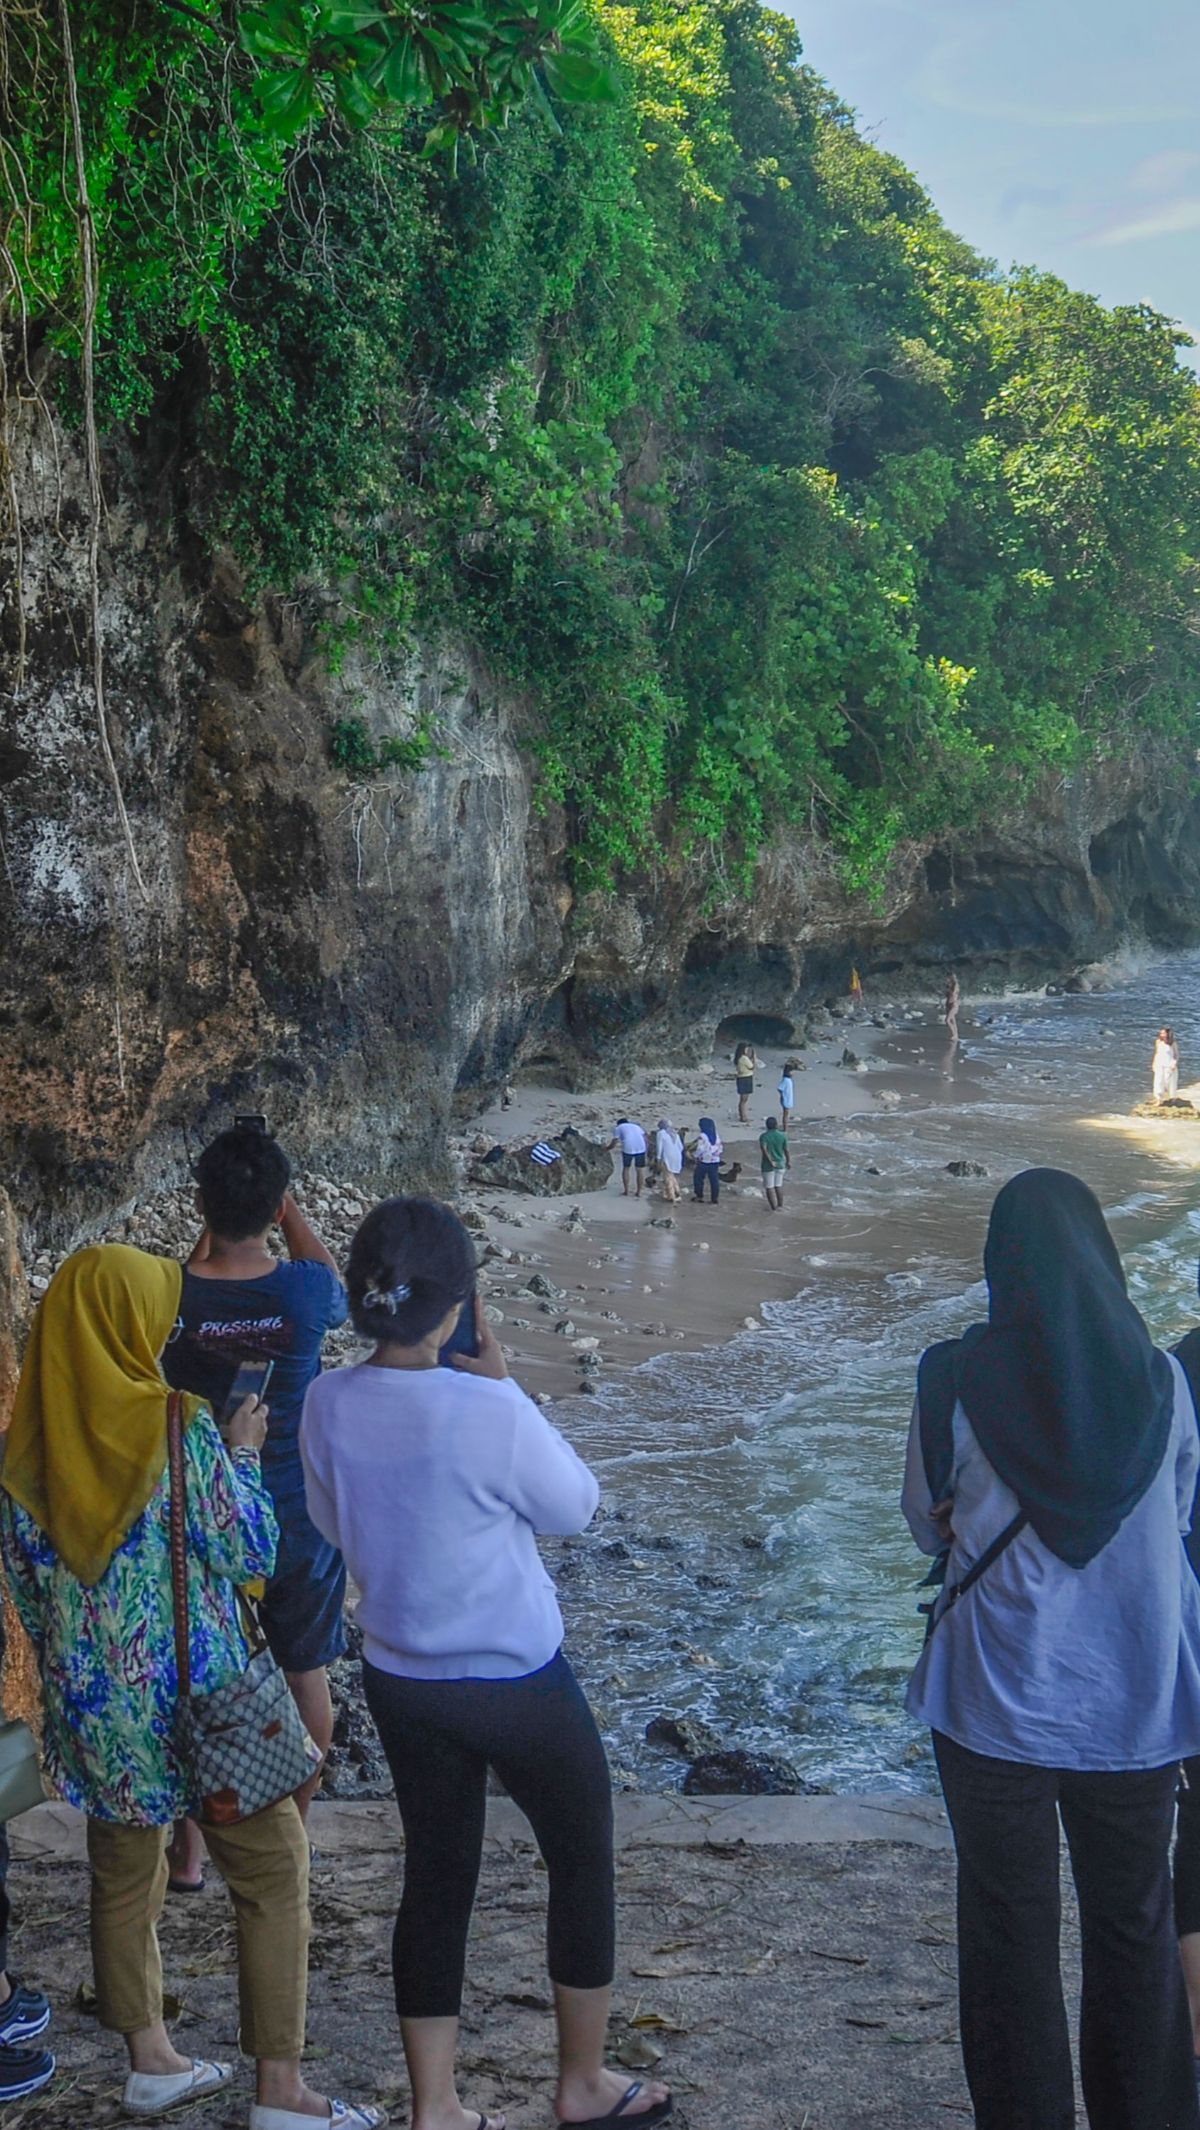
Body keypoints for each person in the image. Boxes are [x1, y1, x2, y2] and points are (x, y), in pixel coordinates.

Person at [300, 1198, 672, 2130]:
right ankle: (582, 2084)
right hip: (516, 1676)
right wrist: (506, 1388)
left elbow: (330, 1527)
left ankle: (438, 2107)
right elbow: (575, 1508)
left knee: (436, 1875)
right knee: (580, 1857)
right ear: (459, 1305)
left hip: (401, 1678)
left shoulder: (326, 1400)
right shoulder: (487, 1410)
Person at [0, 1245, 380, 2130]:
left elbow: (25, 1593)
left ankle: (151, 2063)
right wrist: (244, 1453)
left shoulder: (27, 1452)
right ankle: (282, 2093)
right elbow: (251, 1552)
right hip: (201, 1702)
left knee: (122, 1878)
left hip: (98, 1717)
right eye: (159, 1315)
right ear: (130, 1326)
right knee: (275, 1871)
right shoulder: (178, 1424)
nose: (170, 1329)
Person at [902, 1168, 1200, 2130]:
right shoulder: (1164, 1385)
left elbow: (924, 1522)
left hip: (993, 1703)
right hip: (1137, 1704)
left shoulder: (951, 1376)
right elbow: (1179, 1516)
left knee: (1008, 1935)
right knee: (1134, 1925)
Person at [162, 1127, 349, 1895]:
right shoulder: (303, 1294)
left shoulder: (174, 1293)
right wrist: (289, 1209)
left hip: (204, 1516)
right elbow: (328, 1273)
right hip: (295, 1520)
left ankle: (189, 1857)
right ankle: (290, 1836)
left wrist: (216, 1229)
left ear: (202, 1202)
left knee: (197, 1684)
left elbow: (185, 1287)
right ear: (275, 1208)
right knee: (307, 1678)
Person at [608, 1120, 648, 1198]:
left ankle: (626, 1191)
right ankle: (639, 1192)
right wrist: (646, 1149)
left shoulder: (618, 1128)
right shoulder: (636, 1126)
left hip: (628, 1147)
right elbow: (645, 1138)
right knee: (639, 1170)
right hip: (641, 1147)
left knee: (626, 1168)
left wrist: (608, 1148)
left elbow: (615, 1141)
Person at [758, 1117, 790, 1211]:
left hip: (768, 1165)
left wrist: (770, 1161)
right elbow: (786, 1150)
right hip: (780, 1163)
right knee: (778, 1185)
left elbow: (764, 1150)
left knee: (769, 1187)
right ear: (776, 1125)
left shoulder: (764, 1136)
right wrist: (788, 1161)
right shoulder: (782, 1135)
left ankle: (773, 1208)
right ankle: (780, 1206)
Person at [690, 1119, 723, 1204]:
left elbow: (700, 1149)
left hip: (704, 1161)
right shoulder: (716, 1135)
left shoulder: (702, 1136)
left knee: (698, 1178)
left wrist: (695, 1156)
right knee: (714, 1180)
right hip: (715, 1161)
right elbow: (720, 1148)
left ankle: (699, 1196)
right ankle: (714, 1199)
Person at [655, 1120, 684, 1204]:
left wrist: (658, 1158)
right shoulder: (675, 1134)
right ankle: (677, 1192)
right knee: (671, 1175)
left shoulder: (661, 1134)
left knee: (667, 1176)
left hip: (667, 1157)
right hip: (677, 1156)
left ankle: (671, 1196)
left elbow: (659, 1147)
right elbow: (681, 1147)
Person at [1154, 1027, 1181, 1103]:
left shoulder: (1173, 1043)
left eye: (1163, 1033)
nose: (1161, 1034)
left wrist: (1174, 1064)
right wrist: (1154, 1063)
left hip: (1169, 1064)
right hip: (1159, 1064)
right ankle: (1159, 1099)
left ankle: (1173, 1097)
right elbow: (1156, 1053)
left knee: (1170, 1082)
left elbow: (1176, 1055)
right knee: (1158, 1082)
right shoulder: (1158, 1042)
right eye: (1161, 1033)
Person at [733, 1043, 757, 1125]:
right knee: (744, 1099)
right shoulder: (743, 1058)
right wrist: (754, 1058)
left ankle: (743, 1115)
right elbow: (752, 1066)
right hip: (746, 1078)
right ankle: (743, 1116)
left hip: (741, 1077)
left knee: (743, 1099)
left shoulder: (739, 1058)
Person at [777, 1060, 798, 1135]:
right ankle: (785, 1128)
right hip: (786, 1099)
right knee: (786, 1114)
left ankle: (785, 1127)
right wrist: (782, 1096)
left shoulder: (788, 1080)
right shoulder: (786, 1080)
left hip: (788, 1098)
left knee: (786, 1114)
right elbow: (780, 1088)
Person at [943, 971, 961, 1041]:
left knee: (947, 1020)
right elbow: (948, 995)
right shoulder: (949, 985)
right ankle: (955, 1035)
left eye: (948, 978)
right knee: (953, 1021)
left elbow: (953, 994)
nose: (946, 980)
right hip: (948, 1004)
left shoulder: (955, 985)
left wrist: (949, 989)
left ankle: (954, 1034)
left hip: (954, 1004)